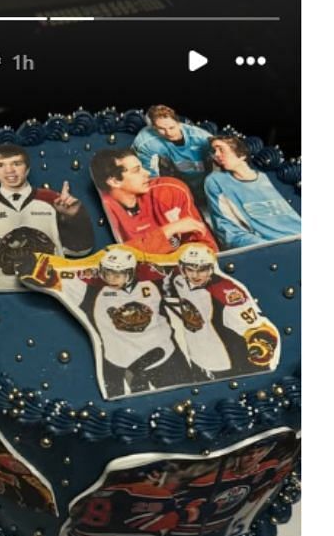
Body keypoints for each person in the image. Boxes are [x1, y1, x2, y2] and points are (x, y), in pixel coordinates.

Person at [26, 246, 194, 397]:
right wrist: (31, 267)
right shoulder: (91, 292)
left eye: (117, 273)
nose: (111, 278)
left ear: (130, 273)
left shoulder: (154, 284)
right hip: (120, 364)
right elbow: (53, 279)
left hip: (165, 358)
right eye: (107, 272)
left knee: (184, 399)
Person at [0, 144, 94, 290]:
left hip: (50, 292)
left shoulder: (54, 200)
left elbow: (81, 250)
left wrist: (74, 217)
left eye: (16, 163)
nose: (9, 170)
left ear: (27, 168)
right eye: (0, 165)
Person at [161, 243, 279, 378]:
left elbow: (254, 327)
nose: (196, 275)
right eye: (190, 269)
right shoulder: (178, 279)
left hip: (227, 363)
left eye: (202, 269)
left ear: (211, 268)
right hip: (198, 359)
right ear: (182, 269)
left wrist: (260, 345)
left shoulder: (226, 292)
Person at [90, 148, 217, 255]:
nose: (147, 173)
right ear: (114, 181)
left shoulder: (170, 190)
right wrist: (168, 231)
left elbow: (206, 247)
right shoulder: (103, 209)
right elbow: (116, 259)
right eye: (136, 170)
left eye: (142, 167)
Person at [203, 135, 302, 249]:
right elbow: (227, 231)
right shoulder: (216, 181)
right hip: (271, 251)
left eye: (221, 149)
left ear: (242, 154)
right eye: (214, 151)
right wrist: (267, 248)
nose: (216, 154)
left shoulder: (273, 178)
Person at [132, 105, 213, 203]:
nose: (168, 133)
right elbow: (148, 175)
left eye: (172, 127)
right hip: (168, 174)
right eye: (161, 128)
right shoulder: (144, 142)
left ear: (179, 123)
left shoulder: (202, 138)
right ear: (153, 127)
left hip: (200, 178)